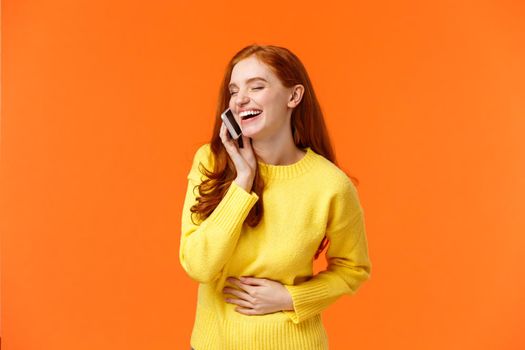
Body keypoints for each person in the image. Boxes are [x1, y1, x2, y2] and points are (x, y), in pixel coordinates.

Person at [179, 44, 372, 350]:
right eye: (234, 90)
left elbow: (354, 269)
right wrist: (242, 183)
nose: (241, 99)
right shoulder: (211, 162)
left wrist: (290, 298)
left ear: (293, 97)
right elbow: (198, 266)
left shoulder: (330, 185)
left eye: (257, 86)